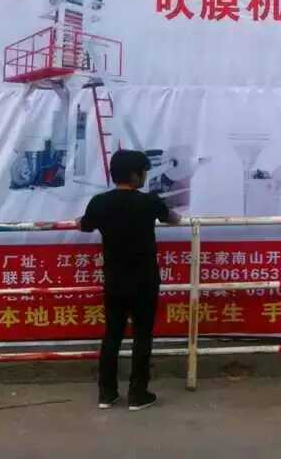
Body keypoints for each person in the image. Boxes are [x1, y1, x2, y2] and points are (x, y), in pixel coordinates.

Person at [78, 149, 181, 411]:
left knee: (112, 335)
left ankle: (106, 393)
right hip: (145, 280)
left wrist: (82, 220)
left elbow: (85, 225)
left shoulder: (99, 202)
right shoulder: (149, 202)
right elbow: (174, 219)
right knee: (142, 335)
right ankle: (138, 394)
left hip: (114, 280)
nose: (145, 176)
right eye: (144, 171)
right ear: (135, 175)